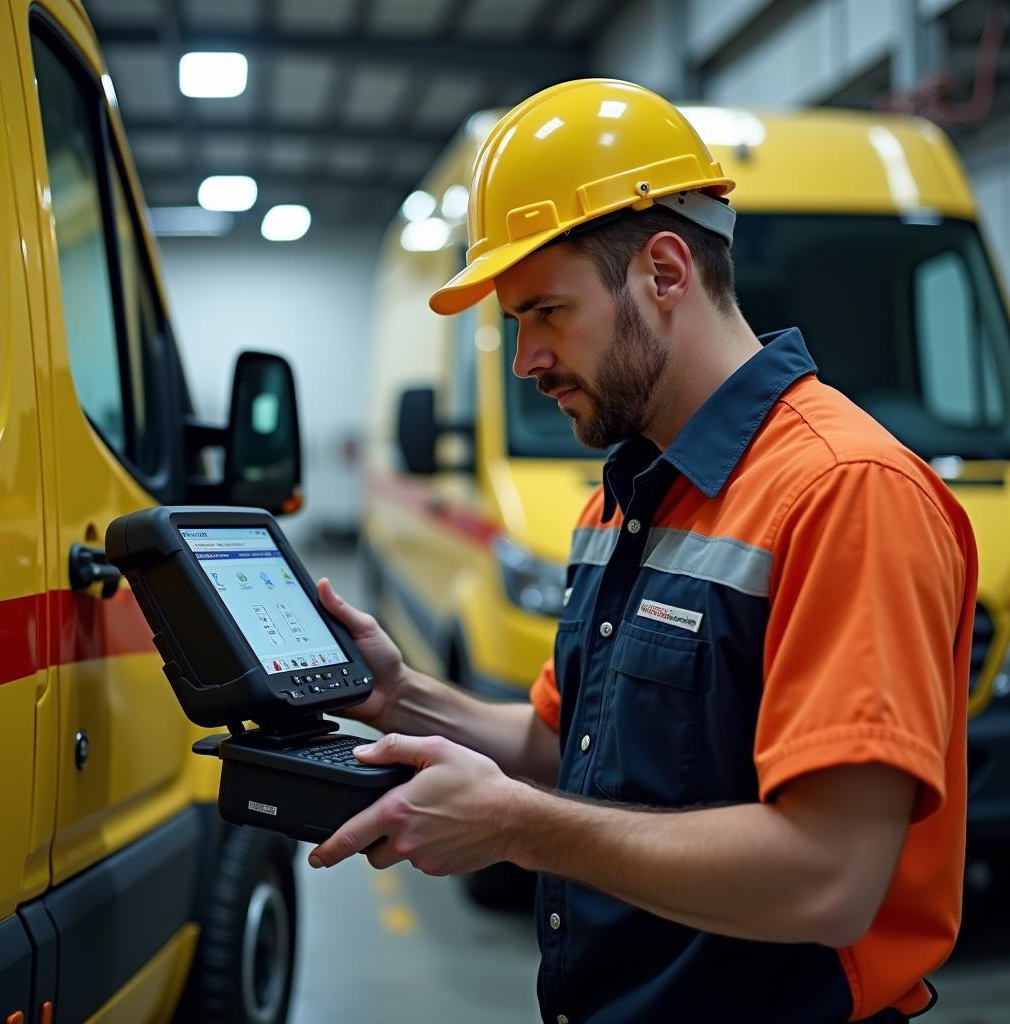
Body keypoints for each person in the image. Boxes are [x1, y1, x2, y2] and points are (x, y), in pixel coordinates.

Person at [307, 79, 977, 1023]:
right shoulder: (623, 498)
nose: (524, 359)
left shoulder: (843, 492)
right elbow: (565, 745)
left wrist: (516, 828)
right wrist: (401, 693)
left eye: (546, 312)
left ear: (665, 272)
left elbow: (829, 880)